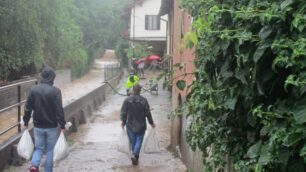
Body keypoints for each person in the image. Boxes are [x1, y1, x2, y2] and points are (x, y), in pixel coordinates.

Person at [23, 66, 66, 172]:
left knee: (39, 148)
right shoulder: (56, 91)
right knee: (50, 150)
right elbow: (59, 110)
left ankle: (34, 165)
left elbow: (28, 108)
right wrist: (62, 125)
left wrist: (25, 121)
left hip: (38, 125)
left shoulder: (33, 89)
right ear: (52, 77)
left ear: (41, 76)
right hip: (52, 126)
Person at [120, 84, 155, 165]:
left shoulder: (127, 100)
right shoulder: (144, 100)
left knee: (133, 141)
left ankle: (134, 155)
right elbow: (148, 113)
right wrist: (151, 123)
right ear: (140, 90)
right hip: (141, 124)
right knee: (139, 140)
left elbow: (123, 112)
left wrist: (123, 122)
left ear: (133, 90)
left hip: (130, 124)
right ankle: (135, 155)